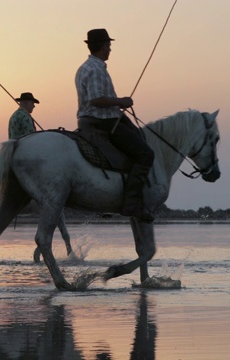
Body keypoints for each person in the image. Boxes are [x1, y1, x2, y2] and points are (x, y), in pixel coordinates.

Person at [75, 28, 155, 223]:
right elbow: (96, 100)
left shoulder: (86, 67)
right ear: (103, 47)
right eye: (109, 46)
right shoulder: (95, 70)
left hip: (96, 119)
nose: (110, 49)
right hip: (103, 122)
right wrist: (121, 102)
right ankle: (131, 203)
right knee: (146, 154)